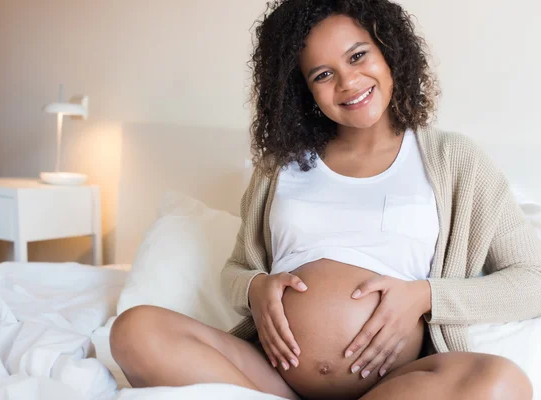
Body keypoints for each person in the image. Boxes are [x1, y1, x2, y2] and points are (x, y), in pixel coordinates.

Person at [110, 0, 539, 399]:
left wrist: (425, 297)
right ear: (304, 91)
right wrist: (255, 288)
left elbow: (534, 278)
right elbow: (236, 269)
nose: (348, 82)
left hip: (393, 384)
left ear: (389, 50)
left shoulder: (453, 159)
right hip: (271, 377)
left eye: (357, 56)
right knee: (134, 330)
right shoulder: (279, 166)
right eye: (322, 74)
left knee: (502, 382)